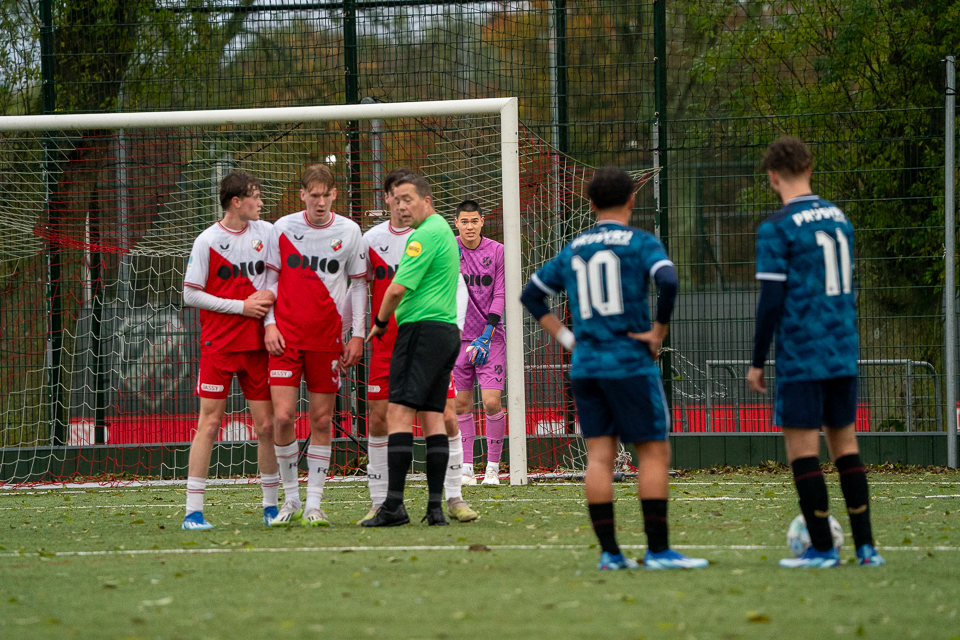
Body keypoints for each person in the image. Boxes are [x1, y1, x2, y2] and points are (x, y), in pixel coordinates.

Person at [521, 165, 708, 571]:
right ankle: (658, 552)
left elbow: (532, 294)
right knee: (653, 452)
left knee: (599, 458)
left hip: (586, 365)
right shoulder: (640, 242)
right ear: (631, 201)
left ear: (590, 205)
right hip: (628, 362)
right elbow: (669, 280)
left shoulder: (575, 247)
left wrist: (569, 340)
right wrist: (657, 331)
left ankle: (610, 554)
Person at [747, 136, 884, 568]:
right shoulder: (839, 219)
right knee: (845, 446)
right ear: (809, 167)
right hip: (841, 348)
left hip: (802, 353)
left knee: (803, 452)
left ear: (772, 177)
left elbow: (771, 299)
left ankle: (822, 548)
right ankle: (866, 547)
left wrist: (756, 361)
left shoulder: (777, 228)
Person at [361, 168, 478, 523]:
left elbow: (396, 289)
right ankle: (435, 508)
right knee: (432, 417)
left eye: (408, 199)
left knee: (399, 413)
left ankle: (393, 505)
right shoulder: (442, 230)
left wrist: (379, 323)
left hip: (420, 331)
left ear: (426, 200)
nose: (401, 206)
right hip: (443, 333)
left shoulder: (422, 237)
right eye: (396, 200)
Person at [263, 164, 366, 527]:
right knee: (282, 417)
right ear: (302, 195)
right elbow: (269, 279)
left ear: (335, 194)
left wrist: (357, 333)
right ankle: (290, 500)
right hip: (285, 339)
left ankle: (314, 505)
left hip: (328, 341)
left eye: (327, 195)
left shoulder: (350, 231)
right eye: (314, 195)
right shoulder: (282, 228)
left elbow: (358, 284)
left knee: (322, 419)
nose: (320, 202)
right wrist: (269, 323)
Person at [181, 170, 279, 530]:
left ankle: (271, 507)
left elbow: (278, 277)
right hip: (219, 345)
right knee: (208, 424)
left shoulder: (267, 233)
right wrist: (240, 307)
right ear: (236, 201)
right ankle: (193, 512)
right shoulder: (207, 241)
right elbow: (190, 293)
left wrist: (267, 310)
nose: (260, 202)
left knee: (266, 425)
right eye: (255, 196)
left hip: (256, 346)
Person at [453, 200, 507, 487]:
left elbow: (500, 293)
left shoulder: (497, 251)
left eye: (474, 221)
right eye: (465, 221)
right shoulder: (448, 249)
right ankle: (466, 468)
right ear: (457, 223)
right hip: (457, 338)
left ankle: (493, 468)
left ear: (482, 222)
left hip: (491, 338)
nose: (470, 226)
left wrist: (487, 333)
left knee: (491, 402)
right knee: (461, 404)